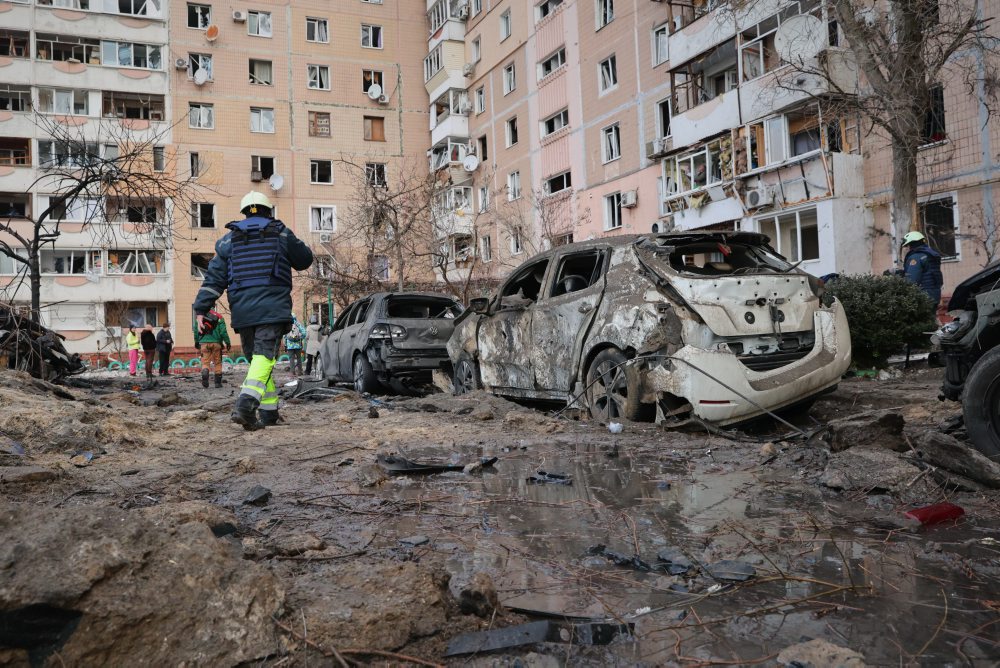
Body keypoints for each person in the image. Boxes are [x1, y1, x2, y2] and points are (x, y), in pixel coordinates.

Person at [192, 191, 313, 430]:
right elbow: (304, 260)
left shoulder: (228, 241)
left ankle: (268, 413)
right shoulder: (281, 233)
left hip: (243, 310)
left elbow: (214, 278)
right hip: (272, 307)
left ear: (244, 212)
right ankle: (245, 406)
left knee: (258, 361)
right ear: (269, 211)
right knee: (264, 358)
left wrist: (201, 308)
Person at [901, 231, 944, 306]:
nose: (908, 248)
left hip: (923, 297)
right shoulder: (930, 254)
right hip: (935, 295)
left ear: (912, 244)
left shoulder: (916, 257)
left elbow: (912, 281)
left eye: (908, 245)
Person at [194, 309, 231, 388]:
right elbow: (223, 332)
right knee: (217, 362)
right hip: (216, 343)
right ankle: (217, 383)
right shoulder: (219, 317)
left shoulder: (200, 317)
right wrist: (227, 342)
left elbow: (196, 330)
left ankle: (205, 373)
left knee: (205, 362)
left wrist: (197, 341)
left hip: (204, 343)